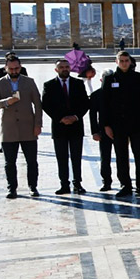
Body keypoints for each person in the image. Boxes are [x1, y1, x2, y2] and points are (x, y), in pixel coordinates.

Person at [0, 55, 43, 198]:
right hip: (9, 130)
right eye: (11, 68)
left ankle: (33, 187)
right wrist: (7, 102)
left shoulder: (29, 82)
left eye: (17, 68)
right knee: (9, 163)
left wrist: (38, 124)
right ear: (5, 68)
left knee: (32, 161)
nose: (14, 71)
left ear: (21, 67)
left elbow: (38, 104)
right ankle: (12, 188)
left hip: (28, 128)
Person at [101, 52, 140, 197]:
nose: (124, 63)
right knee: (121, 157)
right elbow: (104, 104)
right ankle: (125, 185)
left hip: (137, 124)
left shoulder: (139, 78)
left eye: (126, 60)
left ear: (130, 62)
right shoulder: (110, 79)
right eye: (121, 60)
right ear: (116, 61)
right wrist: (106, 125)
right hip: (118, 125)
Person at [41, 59, 90, 195]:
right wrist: (60, 118)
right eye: (61, 67)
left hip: (76, 126)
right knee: (61, 157)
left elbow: (85, 103)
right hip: (59, 127)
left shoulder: (78, 83)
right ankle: (64, 184)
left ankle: (77, 183)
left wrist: (75, 117)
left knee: (76, 157)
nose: (65, 69)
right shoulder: (49, 85)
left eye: (67, 67)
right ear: (56, 69)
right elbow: (46, 105)